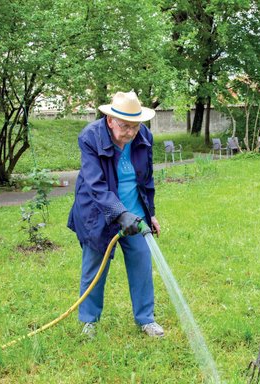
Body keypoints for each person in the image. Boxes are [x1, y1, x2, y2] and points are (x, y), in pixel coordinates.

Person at [67, 91, 164, 338]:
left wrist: (149, 213)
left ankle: (146, 319)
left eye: (135, 126)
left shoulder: (144, 136)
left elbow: (146, 179)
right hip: (98, 213)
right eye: (125, 126)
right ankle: (89, 321)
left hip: (135, 213)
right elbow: (95, 184)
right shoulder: (90, 137)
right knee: (94, 267)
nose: (131, 133)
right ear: (110, 120)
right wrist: (119, 214)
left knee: (141, 262)